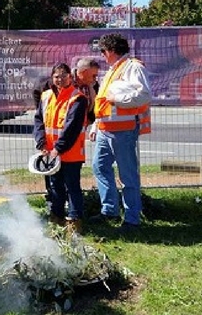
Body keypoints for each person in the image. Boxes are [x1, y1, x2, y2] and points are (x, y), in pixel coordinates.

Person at [89, 33, 152, 233]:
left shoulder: (133, 67)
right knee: (99, 167)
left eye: (103, 51)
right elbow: (103, 102)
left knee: (128, 175)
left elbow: (144, 94)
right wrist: (96, 125)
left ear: (111, 50)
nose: (102, 55)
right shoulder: (113, 70)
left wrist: (118, 100)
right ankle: (110, 210)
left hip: (123, 131)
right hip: (105, 130)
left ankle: (132, 219)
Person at [33, 63, 88, 233]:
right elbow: (38, 121)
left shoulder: (77, 98)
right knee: (54, 186)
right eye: (56, 76)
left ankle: (74, 221)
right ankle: (56, 218)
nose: (59, 79)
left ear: (70, 77)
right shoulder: (46, 96)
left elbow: (72, 128)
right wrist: (41, 143)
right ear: (52, 77)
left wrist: (58, 148)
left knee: (72, 187)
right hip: (50, 152)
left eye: (64, 76)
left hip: (70, 153)